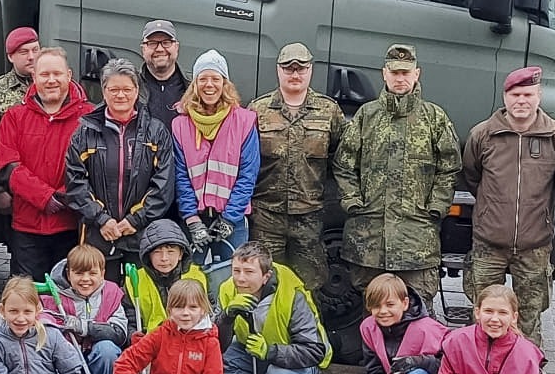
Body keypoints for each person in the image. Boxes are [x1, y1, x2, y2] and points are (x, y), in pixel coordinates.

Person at [461, 65, 555, 374]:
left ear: (538, 96)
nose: (521, 101)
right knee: (482, 310)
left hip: (535, 244)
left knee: (530, 313)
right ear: (505, 97)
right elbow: (471, 177)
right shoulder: (483, 135)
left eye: (528, 95)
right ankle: (477, 372)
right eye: (515, 95)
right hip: (489, 243)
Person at [333, 44, 460, 302]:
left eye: (406, 72)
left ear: (417, 74)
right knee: (372, 313)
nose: (400, 79)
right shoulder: (366, 116)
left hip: (415, 240)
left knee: (417, 312)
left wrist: (436, 205)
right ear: (384, 74)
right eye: (395, 73)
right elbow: (344, 164)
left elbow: (449, 167)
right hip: (369, 239)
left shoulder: (434, 118)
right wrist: (353, 201)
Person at [248, 44, 345, 297]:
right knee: (264, 286)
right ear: (278, 70)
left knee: (309, 288)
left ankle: (307, 337)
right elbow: (245, 161)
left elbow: (340, 157)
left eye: (301, 68)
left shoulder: (328, 111)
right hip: (266, 216)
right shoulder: (258, 110)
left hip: (309, 217)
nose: (295, 74)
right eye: (288, 68)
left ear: (310, 70)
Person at [65, 58, 175, 279]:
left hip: (141, 233)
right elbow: (75, 182)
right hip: (99, 234)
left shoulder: (156, 131)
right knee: (101, 298)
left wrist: (135, 220)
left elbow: (163, 184)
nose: (121, 95)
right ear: (104, 91)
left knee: (141, 300)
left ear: (137, 91)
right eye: (114, 89)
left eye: (127, 89)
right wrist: (102, 219)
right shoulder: (85, 132)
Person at [0, 47, 94, 282]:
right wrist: (43, 196)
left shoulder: (89, 118)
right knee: (26, 295)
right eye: (44, 74)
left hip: (71, 224)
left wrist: (64, 196)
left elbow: (95, 167)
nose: (51, 80)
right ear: (34, 77)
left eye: (57, 74)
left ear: (69, 75)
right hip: (27, 227)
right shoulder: (14, 117)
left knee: (68, 295)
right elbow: (9, 166)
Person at [215, 240, 329, 374]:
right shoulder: (226, 289)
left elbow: (314, 350)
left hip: (301, 361)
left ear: (266, 276)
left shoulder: (291, 294)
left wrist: (270, 352)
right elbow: (216, 344)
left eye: (249, 272)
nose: (240, 279)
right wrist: (227, 316)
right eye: (236, 271)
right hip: (256, 352)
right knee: (214, 362)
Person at [173, 51, 259, 258]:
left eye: (215, 78)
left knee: (233, 280)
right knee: (191, 282)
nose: (209, 84)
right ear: (194, 84)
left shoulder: (244, 121)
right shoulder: (180, 124)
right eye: (203, 78)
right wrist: (192, 219)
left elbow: (248, 174)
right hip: (195, 220)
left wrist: (229, 218)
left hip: (233, 221)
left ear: (224, 83)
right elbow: (180, 175)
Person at [42, 244, 132, 374]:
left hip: (94, 359)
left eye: (92, 273)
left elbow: (119, 333)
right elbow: (42, 327)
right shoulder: (53, 297)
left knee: (108, 350)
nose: (86, 279)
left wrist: (85, 327)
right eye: (79, 273)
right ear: (69, 274)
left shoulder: (112, 294)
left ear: (102, 273)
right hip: (66, 361)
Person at [125, 218, 207, 334]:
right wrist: (133, 336)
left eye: (170, 252)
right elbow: (129, 321)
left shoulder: (196, 276)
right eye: (157, 252)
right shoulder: (134, 280)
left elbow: (207, 315)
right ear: (148, 255)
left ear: (180, 254)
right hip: (151, 343)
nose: (164, 258)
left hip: (189, 340)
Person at [0, 26, 40, 120]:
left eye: (35, 50)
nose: (31, 57)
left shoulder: (52, 83)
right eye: (24, 52)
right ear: (11, 57)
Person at [137, 19, 188, 120]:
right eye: (152, 43)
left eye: (166, 42)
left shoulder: (192, 88)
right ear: (143, 49)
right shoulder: (132, 87)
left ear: (176, 47)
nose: (160, 49)